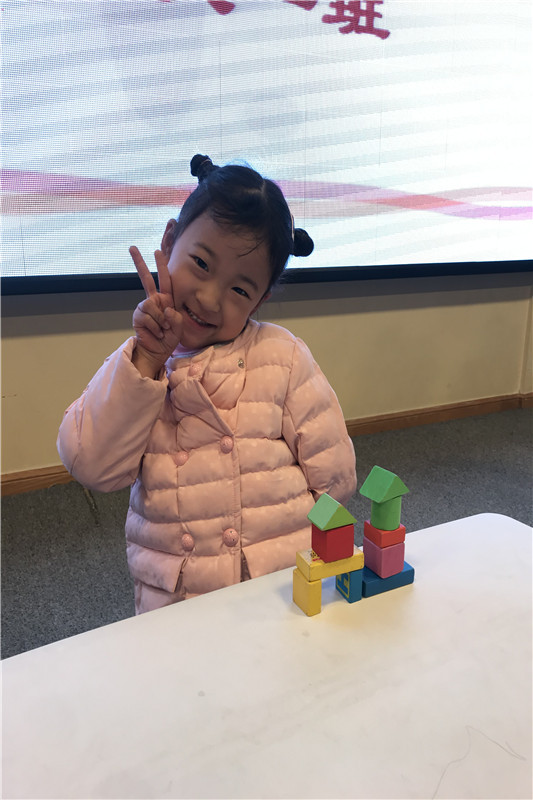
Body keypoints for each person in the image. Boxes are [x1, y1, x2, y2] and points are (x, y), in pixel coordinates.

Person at [57, 154, 356, 614]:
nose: (210, 298)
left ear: (260, 299)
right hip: (181, 603)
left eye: (240, 290)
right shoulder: (142, 367)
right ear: (170, 240)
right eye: (200, 263)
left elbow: (334, 478)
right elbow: (91, 465)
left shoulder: (283, 355)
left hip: (279, 590)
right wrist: (148, 358)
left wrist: (300, 547)